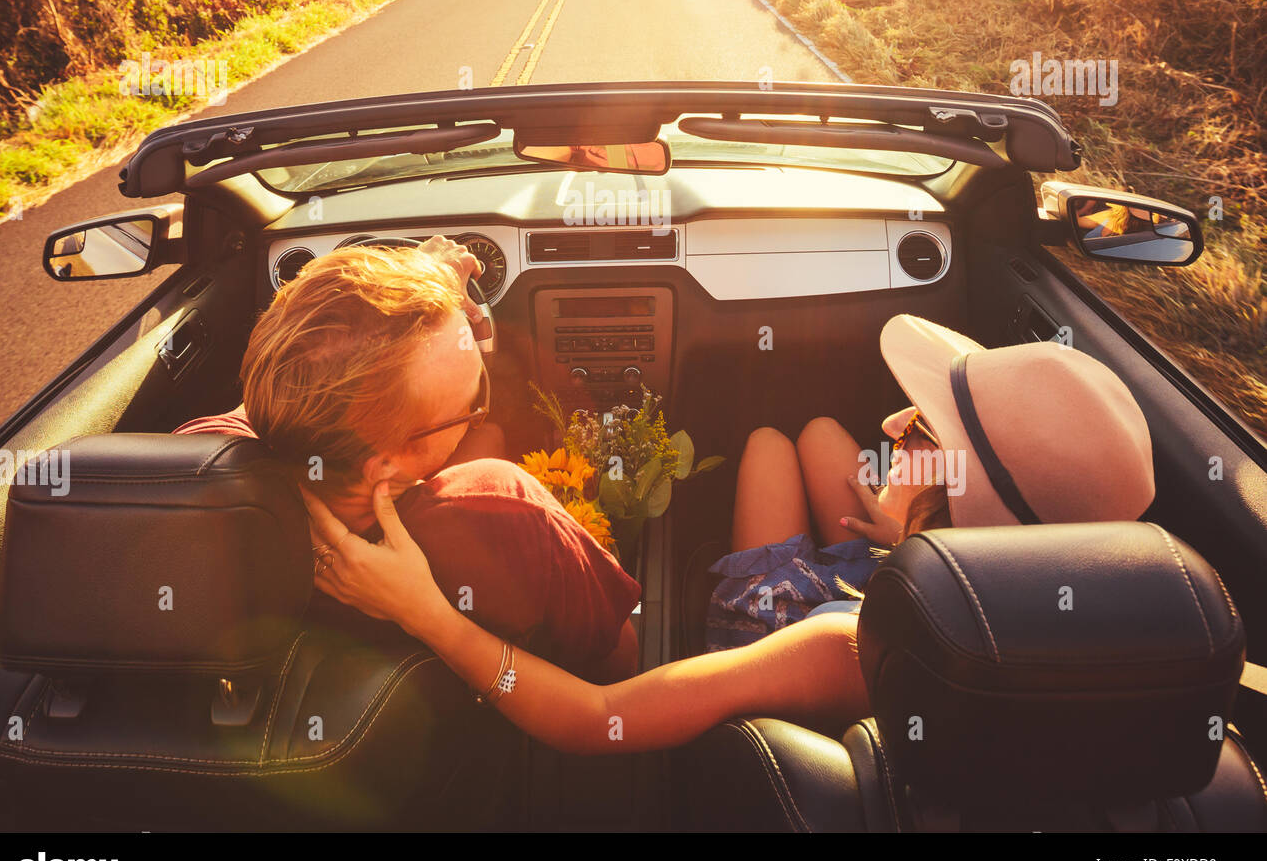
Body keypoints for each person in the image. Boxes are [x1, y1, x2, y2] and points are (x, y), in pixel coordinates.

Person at [305, 313, 1157, 755]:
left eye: (929, 435)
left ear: (966, 515)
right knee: (818, 434)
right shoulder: (1128, 638)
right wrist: (916, 532)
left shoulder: (840, 651)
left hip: (797, 629)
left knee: (763, 447)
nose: (896, 421)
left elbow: (596, 718)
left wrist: (429, 613)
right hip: (906, 582)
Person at [177, 238, 642, 683]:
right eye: (476, 400)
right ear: (381, 466)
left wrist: (414, 291)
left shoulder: (196, 479)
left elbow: (268, 400)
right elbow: (619, 658)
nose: (481, 404)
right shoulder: (506, 509)